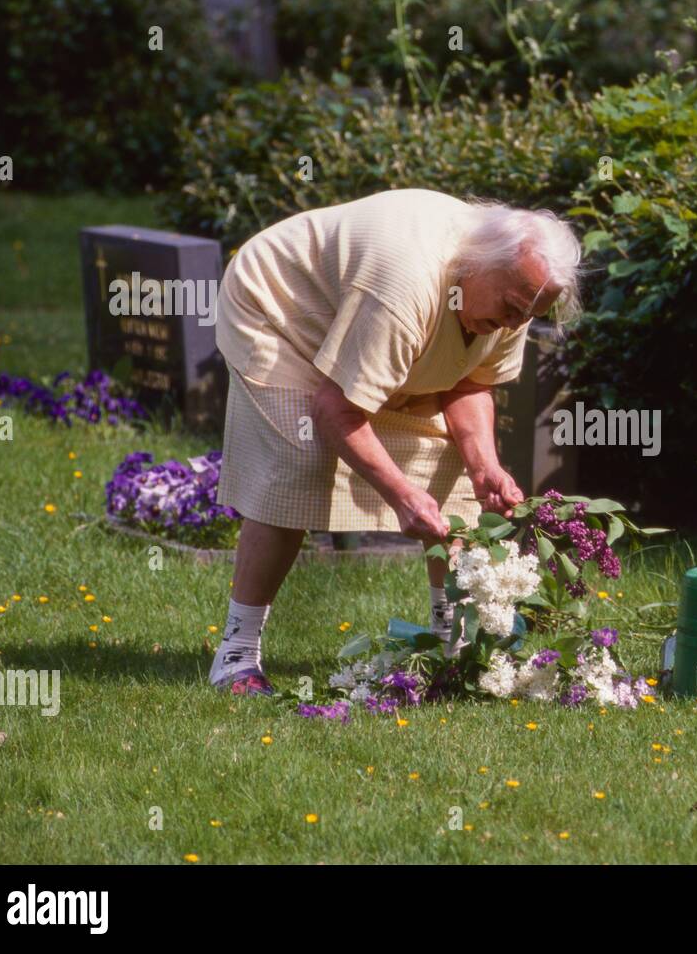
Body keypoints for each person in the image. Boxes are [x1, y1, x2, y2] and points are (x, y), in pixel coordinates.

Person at [208, 188, 582, 694]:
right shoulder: (405, 284)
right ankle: (235, 656)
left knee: (454, 475)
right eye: (512, 308)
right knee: (300, 462)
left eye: (529, 316)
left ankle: (454, 649)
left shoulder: (513, 294)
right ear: (477, 267)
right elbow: (336, 408)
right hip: (280, 310)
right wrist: (401, 494)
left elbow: (469, 381)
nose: (516, 326)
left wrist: (485, 467)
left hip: (366, 318)